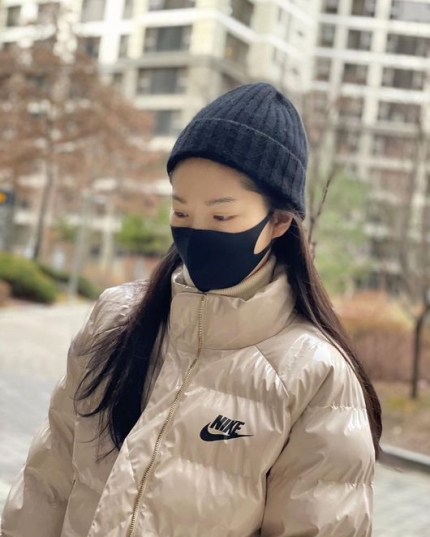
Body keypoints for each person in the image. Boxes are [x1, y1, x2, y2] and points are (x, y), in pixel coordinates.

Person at [1, 82, 382, 537]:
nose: (196, 233)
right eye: (181, 213)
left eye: (221, 217)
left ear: (279, 221)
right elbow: (46, 483)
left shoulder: (314, 376)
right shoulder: (114, 319)